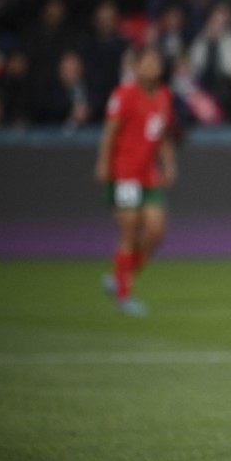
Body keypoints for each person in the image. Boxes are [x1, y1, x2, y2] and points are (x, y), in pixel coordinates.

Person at [94, 46, 176, 317]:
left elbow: (161, 133)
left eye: (156, 62)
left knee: (155, 232)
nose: (154, 67)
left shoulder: (163, 95)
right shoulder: (124, 94)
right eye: (148, 62)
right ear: (137, 67)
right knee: (129, 233)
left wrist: (168, 163)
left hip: (148, 174)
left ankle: (120, 276)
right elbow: (109, 132)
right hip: (125, 174)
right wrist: (103, 164)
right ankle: (123, 293)